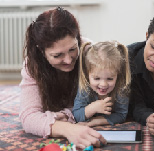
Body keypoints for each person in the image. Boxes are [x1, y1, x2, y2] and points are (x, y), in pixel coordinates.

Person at [19, 7, 106, 149]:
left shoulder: (90, 52)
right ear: (42, 51)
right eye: (57, 55)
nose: (68, 60)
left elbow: (102, 100)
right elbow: (28, 117)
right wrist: (68, 129)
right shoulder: (32, 64)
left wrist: (64, 115)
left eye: (72, 49)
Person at [72, 41, 131, 127]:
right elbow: (76, 115)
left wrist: (96, 121)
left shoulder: (121, 89)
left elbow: (121, 115)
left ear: (118, 75)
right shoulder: (85, 88)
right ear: (87, 74)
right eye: (96, 78)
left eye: (110, 79)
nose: (103, 84)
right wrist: (93, 108)